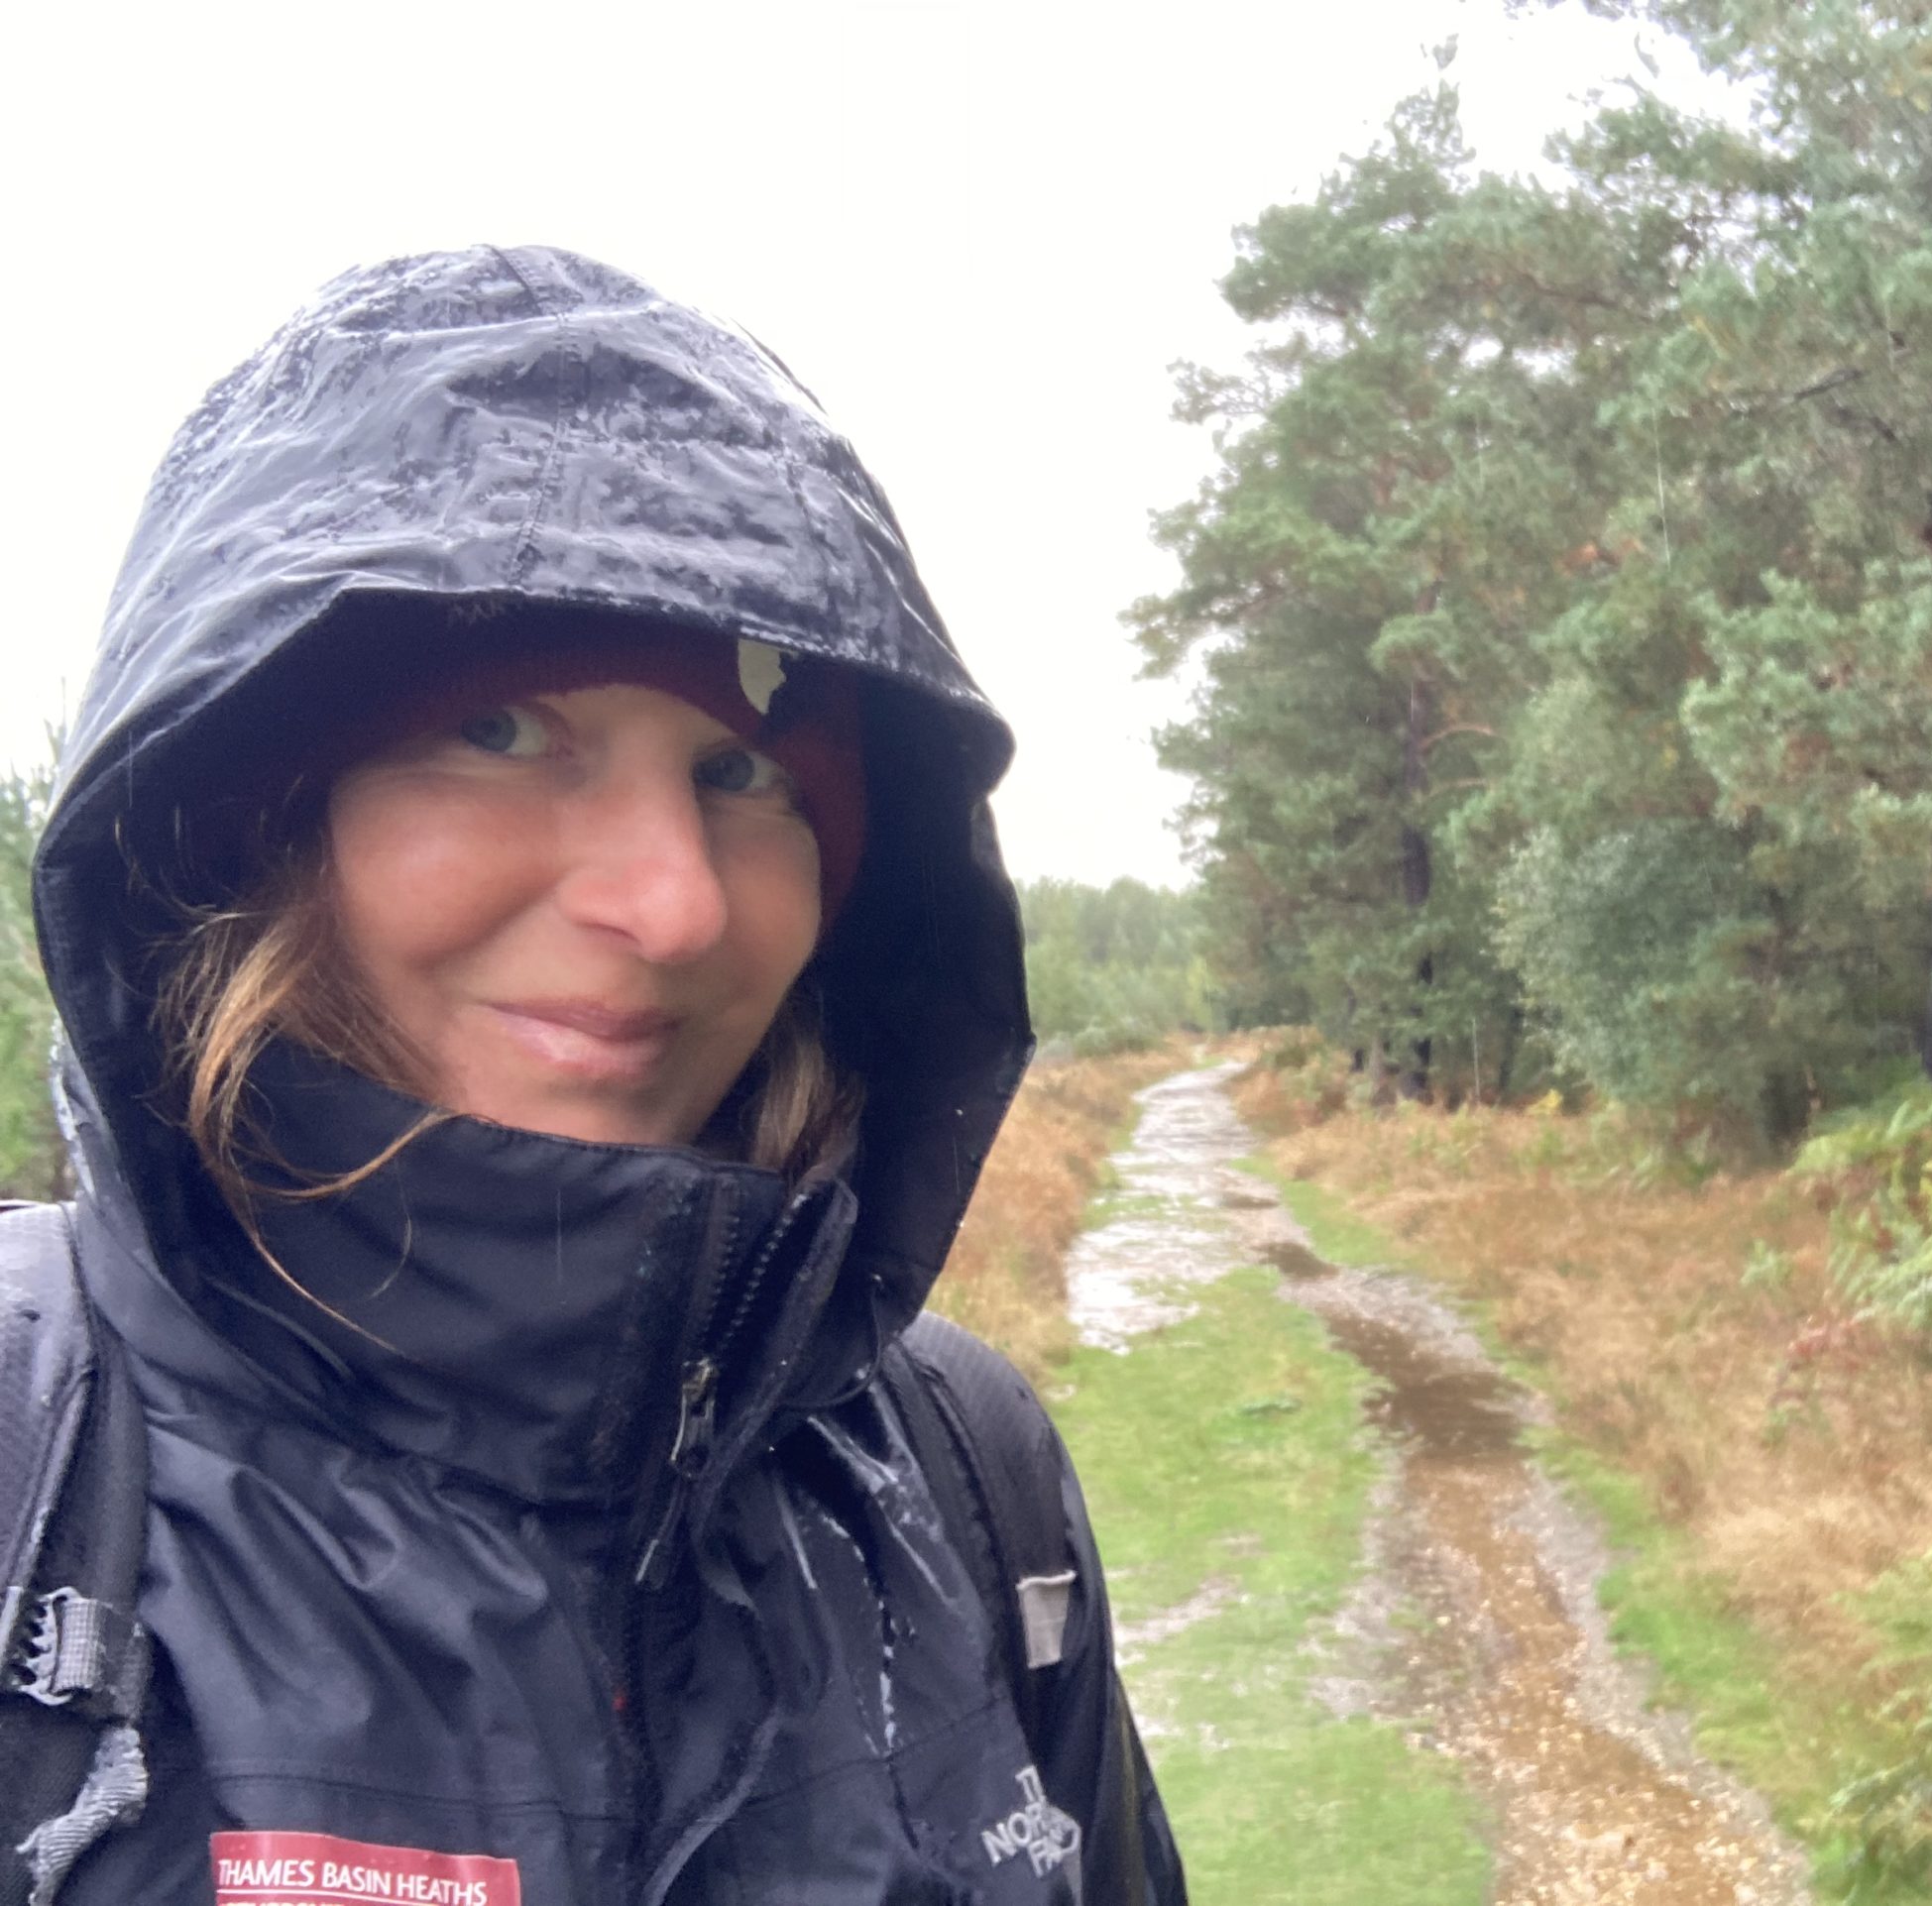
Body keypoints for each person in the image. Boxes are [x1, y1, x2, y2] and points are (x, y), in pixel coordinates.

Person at [11, 246, 1183, 1904]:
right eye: (499, 736)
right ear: (247, 815)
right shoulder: (23, 1463)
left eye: (746, 771)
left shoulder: (963, 1468)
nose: (677, 902)